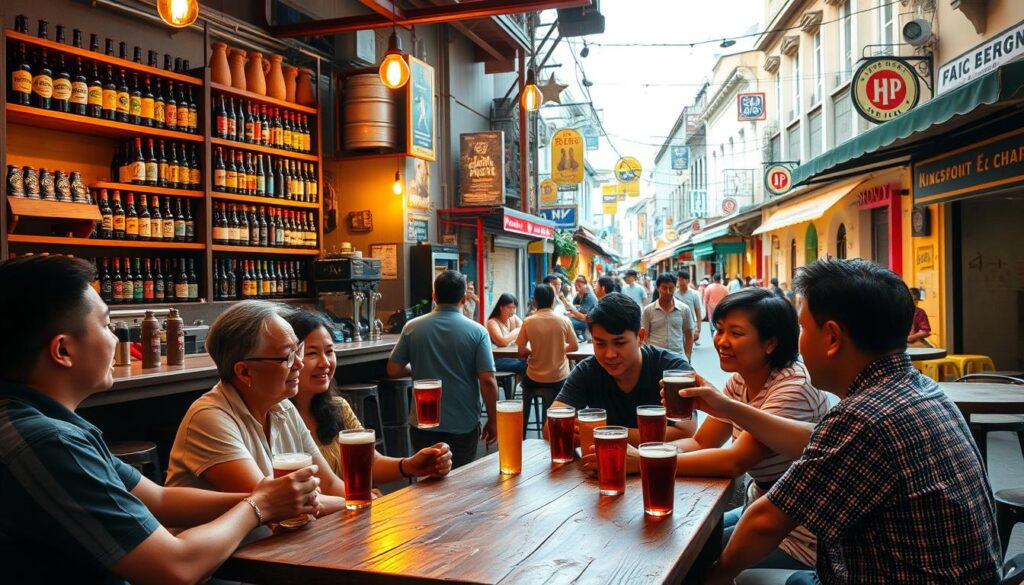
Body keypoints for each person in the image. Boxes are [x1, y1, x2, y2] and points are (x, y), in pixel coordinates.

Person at [0, 256, 319, 584]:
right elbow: (174, 568)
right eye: (108, 326)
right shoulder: (46, 441)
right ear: (63, 351)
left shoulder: (43, 423)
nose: (116, 340)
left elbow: (158, 498)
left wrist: (274, 498)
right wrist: (257, 507)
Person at [694, 258, 1000, 585]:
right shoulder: (924, 390)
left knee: (703, 559)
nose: (795, 340)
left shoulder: (862, 418)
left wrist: (713, 578)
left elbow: (766, 522)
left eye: (802, 328)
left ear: (832, 338)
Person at [662, 289, 828, 571]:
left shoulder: (794, 387)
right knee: (681, 538)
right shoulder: (740, 380)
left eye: (736, 333)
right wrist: (646, 452)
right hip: (761, 507)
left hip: (801, 532)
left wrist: (648, 464)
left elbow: (734, 461)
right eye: (720, 329)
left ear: (770, 343)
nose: (722, 341)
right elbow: (703, 442)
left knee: (690, 559)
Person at [166, 300, 351, 517]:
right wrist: (356, 502)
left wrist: (362, 500)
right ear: (244, 372)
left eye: (297, 350)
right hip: (228, 550)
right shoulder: (209, 419)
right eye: (288, 356)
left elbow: (328, 483)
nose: (299, 364)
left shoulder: (283, 408)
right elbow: (279, 506)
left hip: (279, 546)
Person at [281, 309, 453, 482]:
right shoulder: (276, 419)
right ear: (289, 358)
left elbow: (370, 461)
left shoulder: (338, 407)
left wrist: (411, 465)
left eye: (329, 351)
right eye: (312, 353)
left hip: (349, 507)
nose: (325, 362)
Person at [387, 270, 499, 469]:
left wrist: (418, 367)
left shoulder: (412, 327)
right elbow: (488, 381)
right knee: (460, 482)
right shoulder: (478, 331)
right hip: (463, 424)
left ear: (434, 297)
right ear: (464, 299)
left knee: (427, 481)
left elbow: (393, 370)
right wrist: (493, 419)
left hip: (423, 424)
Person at [553, 293, 696, 445]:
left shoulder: (672, 369)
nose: (609, 354)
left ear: (640, 336)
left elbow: (685, 431)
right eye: (600, 344)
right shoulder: (587, 370)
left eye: (620, 343)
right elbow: (552, 426)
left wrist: (600, 433)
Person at [517, 284, 578, 401]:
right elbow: (574, 346)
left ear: (535, 300)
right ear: (553, 300)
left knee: (525, 383)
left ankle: (524, 417)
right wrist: (558, 348)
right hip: (559, 377)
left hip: (534, 377)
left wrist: (533, 350)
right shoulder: (564, 320)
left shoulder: (528, 322)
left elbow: (521, 350)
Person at [642, 273, 696, 361]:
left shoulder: (684, 309)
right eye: (664, 288)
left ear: (675, 288)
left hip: (678, 357)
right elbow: (644, 336)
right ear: (658, 288)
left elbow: (689, 336)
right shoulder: (648, 310)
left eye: (671, 288)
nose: (668, 292)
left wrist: (687, 357)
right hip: (655, 358)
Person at [486, 293, 526, 376]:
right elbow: (502, 342)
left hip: (512, 357)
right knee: (524, 365)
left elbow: (525, 331)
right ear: (501, 308)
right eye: (509, 307)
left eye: (514, 308)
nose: (512, 310)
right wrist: (516, 331)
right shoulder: (492, 322)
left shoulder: (513, 318)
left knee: (530, 361)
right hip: (496, 360)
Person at [562, 275, 597, 340]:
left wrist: (572, 312)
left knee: (566, 324)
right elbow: (574, 307)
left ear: (585, 285)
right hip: (581, 319)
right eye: (576, 286)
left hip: (587, 324)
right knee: (564, 320)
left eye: (579, 286)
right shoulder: (579, 295)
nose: (577, 288)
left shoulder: (589, 297)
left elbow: (584, 317)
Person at [675, 269, 703, 346]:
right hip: (677, 324)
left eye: (682, 279)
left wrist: (698, 329)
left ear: (687, 280)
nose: (680, 281)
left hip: (690, 325)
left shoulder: (694, 295)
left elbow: (698, 313)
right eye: (678, 279)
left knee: (688, 347)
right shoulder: (674, 294)